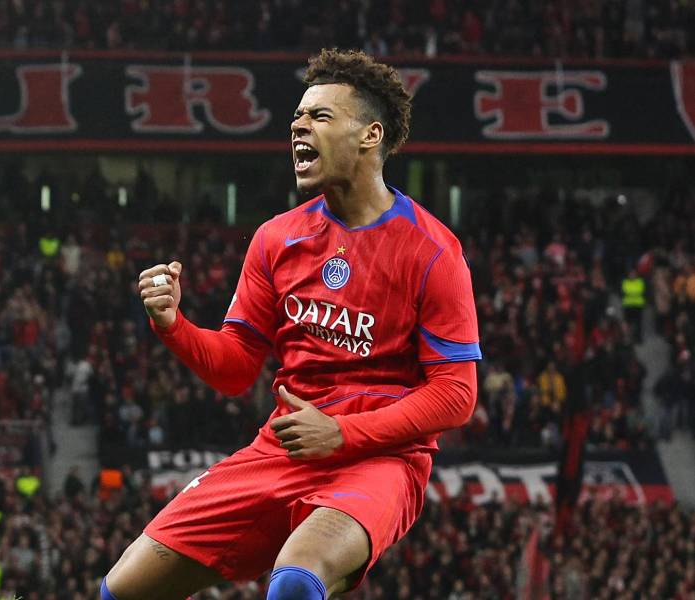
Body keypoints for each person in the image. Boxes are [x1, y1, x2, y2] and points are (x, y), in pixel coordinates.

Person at [104, 49, 481, 600]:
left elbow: (455, 394)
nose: (299, 126)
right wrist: (174, 326)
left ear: (370, 135)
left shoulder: (431, 250)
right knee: (122, 591)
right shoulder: (277, 238)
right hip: (282, 450)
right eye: (297, 119)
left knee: (295, 584)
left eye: (320, 116)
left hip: (377, 459)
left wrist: (344, 433)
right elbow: (236, 367)